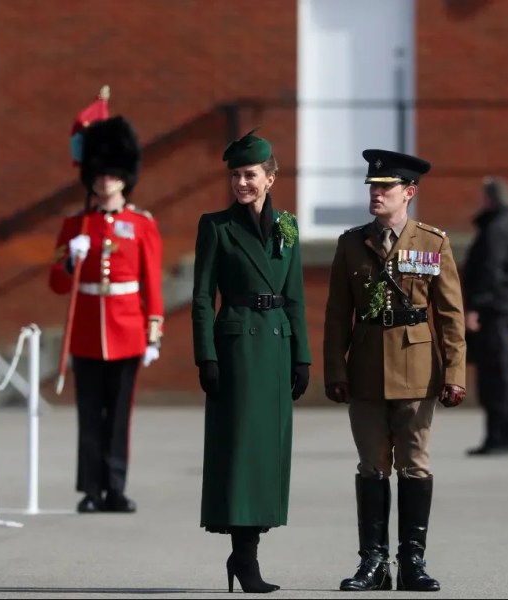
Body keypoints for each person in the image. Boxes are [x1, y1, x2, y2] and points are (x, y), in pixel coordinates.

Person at [323, 149, 466, 592]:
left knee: (415, 466)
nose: (376, 193)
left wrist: (455, 373)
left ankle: (412, 562)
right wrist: (334, 370)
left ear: (409, 192)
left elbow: (451, 316)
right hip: (365, 367)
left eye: (385, 187)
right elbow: (335, 315)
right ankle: (374, 562)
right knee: (371, 466)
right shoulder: (351, 243)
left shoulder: (432, 242)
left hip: (417, 367)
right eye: (372, 187)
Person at [191, 127, 311, 594]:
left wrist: (301, 355)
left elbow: (296, 295)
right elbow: (202, 297)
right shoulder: (216, 226)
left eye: (250, 175)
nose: (241, 183)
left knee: (266, 454)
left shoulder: (289, 227)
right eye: (236, 175)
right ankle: (244, 559)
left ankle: (247, 557)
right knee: (240, 453)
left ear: (271, 178)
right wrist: (206, 356)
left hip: (276, 346)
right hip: (237, 349)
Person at [49, 116, 164, 514]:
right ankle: (90, 489)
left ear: (123, 177)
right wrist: (70, 261)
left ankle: (115, 487)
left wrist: (153, 333)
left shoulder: (141, 225)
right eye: (99, 173)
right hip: (86, 331)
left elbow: (152, 284)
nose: (104, 181)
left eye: (112, 173)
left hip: (127, 329)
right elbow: (57, 283)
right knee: (89, 416)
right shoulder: (74, 224)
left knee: (117, 418)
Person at [463, 176, 508, 456]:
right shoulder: (506, 225)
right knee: (497, 372)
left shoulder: (495, 229)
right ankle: (501, 434)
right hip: (503, 309)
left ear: (490, 199)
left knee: (495, 374)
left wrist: (476, 308)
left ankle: (502, 435)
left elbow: (489, 271)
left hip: (494, 312)